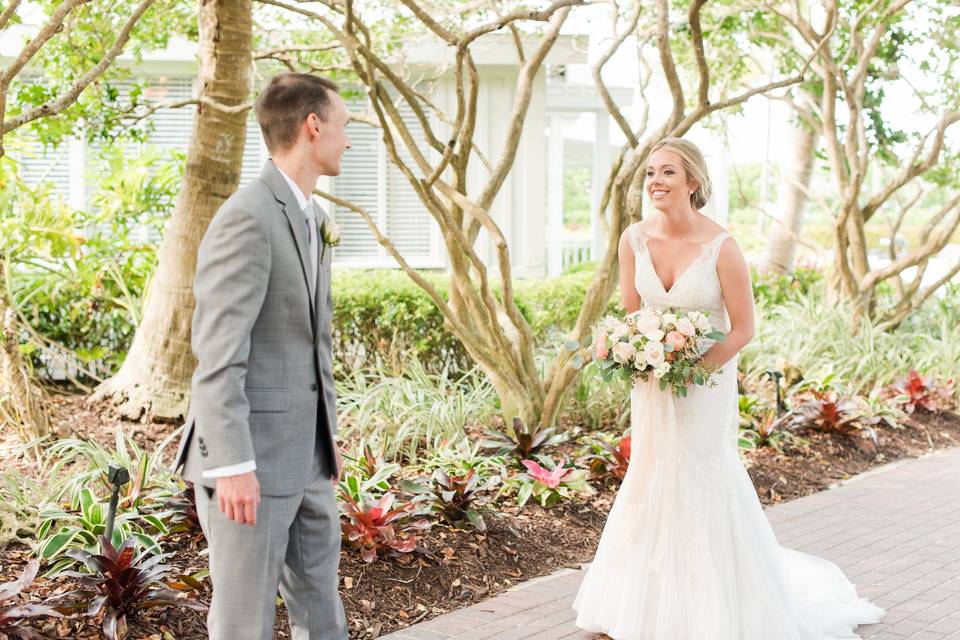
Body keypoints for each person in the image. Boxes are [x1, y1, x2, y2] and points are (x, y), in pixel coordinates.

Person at [572, 137, 883, 639]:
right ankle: (644, 607)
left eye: (668, 172)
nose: (655, 181)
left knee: (699, 475)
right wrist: (635, 352)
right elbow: (635, 314)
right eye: (650, 172)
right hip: (653, 383)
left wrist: (694, 368)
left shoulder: (722, 247)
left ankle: (713, 606)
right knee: (653, 474)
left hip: (704, 382)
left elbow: (742, 328)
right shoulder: (634, 240)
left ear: (693, 182)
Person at [174, 72, 351, 640]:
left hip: (310, 463)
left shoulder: (314, 218)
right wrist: (232, 464)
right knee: (244, 624)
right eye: (344, 127)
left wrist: (328, 439)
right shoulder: (245, 217)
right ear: (313, 126)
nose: (348, 140)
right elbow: (219, 357)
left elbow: (305, 344)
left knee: (323, 615)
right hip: (248, 467)